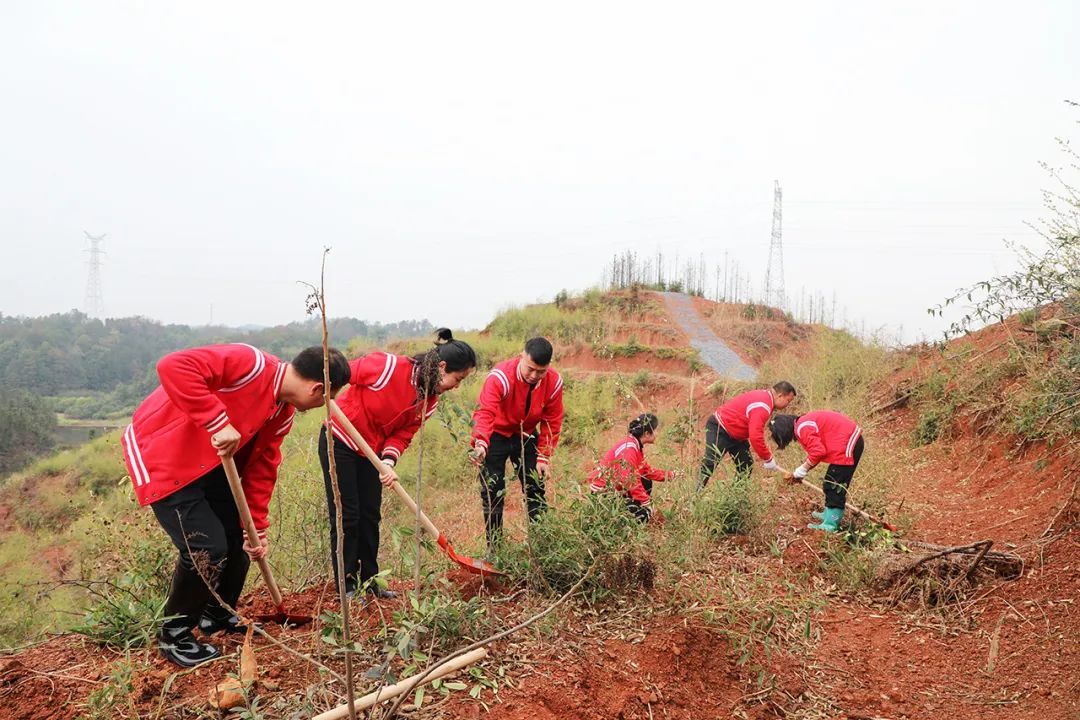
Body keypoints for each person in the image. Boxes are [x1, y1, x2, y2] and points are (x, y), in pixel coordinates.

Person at [122, 343, 350, 668]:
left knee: (239, 540)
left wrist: (255, 526)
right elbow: (173, 366)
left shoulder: (281, 411)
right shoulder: (250, 363)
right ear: (317, 389)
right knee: (205, 548)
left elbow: (262, 466)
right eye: (326, 398)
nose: (321, 406)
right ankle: (174, 636)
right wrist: (216, 421)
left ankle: (217, 616)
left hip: (211, 464)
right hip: (164, 455)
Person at [323, 329, 476, 599]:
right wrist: (326, 388)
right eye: (458, 378)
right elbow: (342, 372)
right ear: (442, 367)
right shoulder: (387, 367)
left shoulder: (429, 400)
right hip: (340, 440)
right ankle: (346, 586)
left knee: (370, 515)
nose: (457, 385)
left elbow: (403, 433)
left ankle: (370, 581)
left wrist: (388, 461)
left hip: (372, 452)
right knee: (348, 515)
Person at [470, 336, 564, 550]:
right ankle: (495, 549)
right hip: (496, 434)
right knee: (492, 491)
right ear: (521, 356)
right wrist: (481, 442)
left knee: (535, 488)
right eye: (530, 368)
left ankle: (541, 547)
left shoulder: (554, 382)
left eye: (541, 371)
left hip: (527, 434)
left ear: (548, 366)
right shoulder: (500, 377)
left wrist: (544, 456)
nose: (534, 376)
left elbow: (552, 420)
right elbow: (485, 412)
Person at [769, 410, 865, 532]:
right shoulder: (802, 423)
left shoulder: (802, 428)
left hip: (849, 445)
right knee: (830, 481)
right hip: (848, 442)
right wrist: (804, 470)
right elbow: (817, 453)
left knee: (834, 485)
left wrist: (803, 468)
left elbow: (818, 452)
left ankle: (831, 523)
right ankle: (828, 513)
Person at [698, 381, 797, 488]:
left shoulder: (766, 397)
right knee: (710, 463)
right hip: (721, 427)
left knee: (745, 465)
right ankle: (694, 496)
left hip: (737, 435)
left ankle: (735, 498)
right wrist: (768, 458)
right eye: (788, 401)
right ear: (780, 396)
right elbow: (755, 436)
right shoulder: (763, 406)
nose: (788, 405)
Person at [588, 413, 675, 522]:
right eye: (656, 430)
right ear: (647, 433)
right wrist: (646, 502)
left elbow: (646, 470)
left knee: (646, 480)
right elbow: (628, 479)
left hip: (614, 488)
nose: (657, 433)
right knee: (643, 516)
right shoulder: (630, 449)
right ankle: (622, 519)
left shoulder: (634, 444)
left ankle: (631, 510)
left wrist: (670, 475)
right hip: (604, 494)